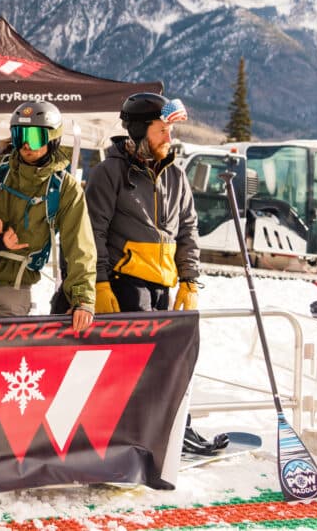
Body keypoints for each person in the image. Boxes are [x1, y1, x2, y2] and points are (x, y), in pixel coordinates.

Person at [84, 92, 226, 455]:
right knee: (132, 365)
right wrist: (99, 283)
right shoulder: (109, 173)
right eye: (161, 130)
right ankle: (124, 437)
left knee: (171, 360)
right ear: (137, 130)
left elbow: (188, 230)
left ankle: (177, 428)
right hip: (125, 284)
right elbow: (92, 233)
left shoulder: (175, 175)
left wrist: (189, 279)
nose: (169, 137)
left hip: (164, 284)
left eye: (170, 130)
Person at [0, 101, 95, 330]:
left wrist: (83, 299)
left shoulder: (64, 188)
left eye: (35, 137)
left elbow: (79, 246)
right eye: (20, 136)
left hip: (12, 289)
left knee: (1, 362)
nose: (27, 145)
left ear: (53, 139)